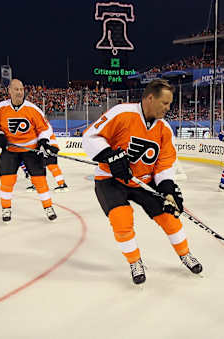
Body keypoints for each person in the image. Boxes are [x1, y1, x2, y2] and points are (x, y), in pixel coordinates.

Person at [82, 79, 202, 285]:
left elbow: (164, 163)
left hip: (144, 181)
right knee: (121, 220)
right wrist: (109, 154)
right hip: (111, 180)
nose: (168, 108)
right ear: (149, 98)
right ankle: (134, 261)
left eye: (169, 104)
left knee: (170, 216)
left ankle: (185, 254)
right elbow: (90, 137)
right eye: (164, 103)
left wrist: (167, 188)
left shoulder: (164, 129)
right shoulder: (122, 113)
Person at [0, 79, 58, 223]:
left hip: (30, 150)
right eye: (16, 89)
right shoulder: (2, 107)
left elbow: (45, 128)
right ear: (10, 91)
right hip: (10, 149)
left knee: (40, 181)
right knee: (7, 181)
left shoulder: (33, 109)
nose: (20, 92)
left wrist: (44, 142)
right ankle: (6, 208)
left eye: (21, 89)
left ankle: (48, 206)